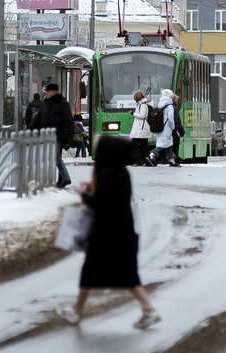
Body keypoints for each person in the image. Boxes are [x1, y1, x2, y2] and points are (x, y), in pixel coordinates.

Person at [55, 136, 160, 329]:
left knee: (90, 270)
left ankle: (77, 310)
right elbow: (110, 197)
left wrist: (82, 193)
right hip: (124, 232)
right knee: (128, 274)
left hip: (106, 233)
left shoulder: (107, 174)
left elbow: (96, 203)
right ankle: (147, 309)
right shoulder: (122, 173)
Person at [28, 83, 74, 187]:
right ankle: (62, 178)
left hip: (58, 134)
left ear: (54, 92)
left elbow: (68, 121)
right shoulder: (46, 103)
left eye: (48, 91)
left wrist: (66, 136)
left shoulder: (62, 104)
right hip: (47, 135)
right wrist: (30, 127)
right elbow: (38, 117)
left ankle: (65, 178)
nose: (46, 93)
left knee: (54, 156)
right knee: (55, 156)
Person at [146, 89, 179, 167]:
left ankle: (171, 161)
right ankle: (151, 156)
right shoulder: (169, 106)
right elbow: (170, 118)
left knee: (168, 143)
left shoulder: (160, 103)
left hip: (160, 127)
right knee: (162, 144)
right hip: (167, 127)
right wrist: (172, 127)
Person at [129, 90, 152, 166]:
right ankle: (148, 161)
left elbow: (142, 116)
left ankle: (138, 161)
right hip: (142, 129)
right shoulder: (142, 104)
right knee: (144, 145)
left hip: (141, 129)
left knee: (134, 144)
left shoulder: (142, 105)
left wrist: (133, 113)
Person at [171, 94, 185, 165]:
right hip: (173, 131)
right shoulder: (175, 108)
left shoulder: (164, 106)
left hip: (166, 131)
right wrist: (182, 132)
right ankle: (174, 160)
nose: (177, 101)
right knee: (175, 145)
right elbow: (177, 122)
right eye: (177, 100)